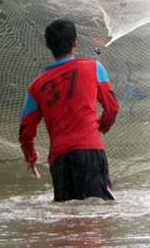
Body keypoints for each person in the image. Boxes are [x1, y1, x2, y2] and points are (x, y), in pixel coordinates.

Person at [19, 19, 120, 202]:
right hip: (90, 151)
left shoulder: (37, 85)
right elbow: (112, 108)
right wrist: (101, 128)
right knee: (100, 214)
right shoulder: (93, 67)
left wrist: (31, 156)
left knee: (66, 216)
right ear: (75, 43)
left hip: (59, 158)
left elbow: (26, 130)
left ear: (48, 46)